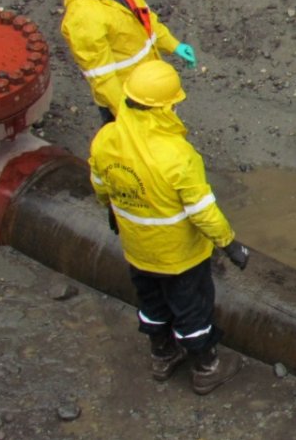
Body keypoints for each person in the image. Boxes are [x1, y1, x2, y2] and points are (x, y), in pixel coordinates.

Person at [88, 60, 249, 395]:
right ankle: (207, 367)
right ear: (164, 106)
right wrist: (229, 243)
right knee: (193, 310)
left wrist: (112, 210)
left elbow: (101, 183)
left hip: (138, 250)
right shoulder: (177, 155)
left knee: (152, 303)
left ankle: (162, 355)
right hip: (179, 256)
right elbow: (203, 212)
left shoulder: (106, 138)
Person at [61, 0, 197, 124]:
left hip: (150, 81)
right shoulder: (83, 16)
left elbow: (145, 18)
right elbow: (102, 76)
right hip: (127, 97)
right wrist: (125, 116)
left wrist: (171, 44)